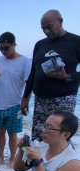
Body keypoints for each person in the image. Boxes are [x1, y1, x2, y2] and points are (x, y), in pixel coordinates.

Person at [21, 9, 80, 141]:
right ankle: (40, 162)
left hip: (64, 98)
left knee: (59, 138)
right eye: (43, 28)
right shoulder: (40, 44)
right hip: (40, 99)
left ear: (60, 21)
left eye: (49, 27)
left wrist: (67, 76)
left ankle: (67, 162)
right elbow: (33, 73)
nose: (46, 31)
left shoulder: (76, 41)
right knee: (39, 136)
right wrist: (25, 98)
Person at [0, 32, 31, 168]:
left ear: (14, 45)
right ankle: (1, 157)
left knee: (12, 134)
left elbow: (29, 84)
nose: (3, 51)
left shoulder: (24, 61)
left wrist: (26, 102)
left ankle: (12, 159)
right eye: (0, 48)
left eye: (6, 48)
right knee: (0, 132)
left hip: (15, 104)